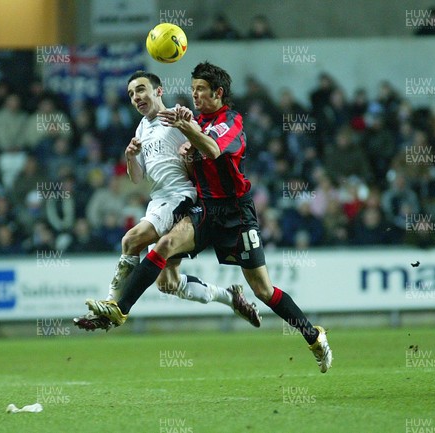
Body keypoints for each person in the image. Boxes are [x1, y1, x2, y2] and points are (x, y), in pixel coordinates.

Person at [84, 63, 332, 373]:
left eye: (201, 89)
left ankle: (313, 335)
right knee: (163, 249)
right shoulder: (191, 120)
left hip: (236, 214)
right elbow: (187, 156)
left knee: (263, 290)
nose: (195, 94)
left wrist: (189, 132)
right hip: (204, 210)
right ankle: (120, 309)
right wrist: (186, 145)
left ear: (218, 93)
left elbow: (213, 149)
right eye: (193, 89)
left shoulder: (232, 121)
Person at [74, 71, 261, 331]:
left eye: (141, 90)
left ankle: (111, 306)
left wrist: (189, 138)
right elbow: (137, 178)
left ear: (158, 91)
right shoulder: (141, 128)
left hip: (180, 196)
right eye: (130, 94)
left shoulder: (178, 116)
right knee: (167, 283)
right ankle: (229, 297)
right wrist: (131, 157)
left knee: (131, 240)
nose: (136, 97)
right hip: (158, 200)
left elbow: (205, 150)